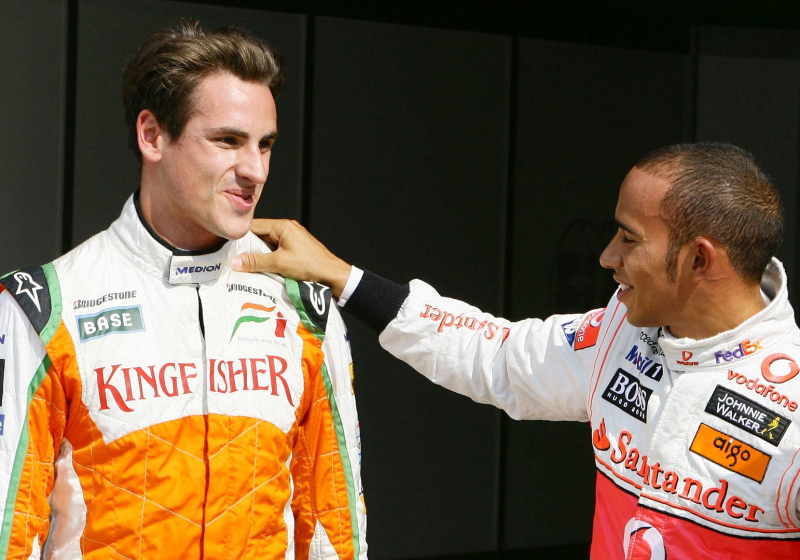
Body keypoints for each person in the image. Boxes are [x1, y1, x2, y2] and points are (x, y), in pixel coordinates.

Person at [234, 143, 800, 558]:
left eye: (629, 238)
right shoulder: (620, 335)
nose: (607, 256)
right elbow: (494, 353)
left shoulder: (791, 408)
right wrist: (342, 276)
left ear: (700, 259)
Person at [0, 20, 366, 560]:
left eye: (265, 145)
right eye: (227, 141)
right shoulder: (45, 306)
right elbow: (9, 531)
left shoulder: (303, 305)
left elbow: (336, 526)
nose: (255, 170)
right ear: (153, 136)